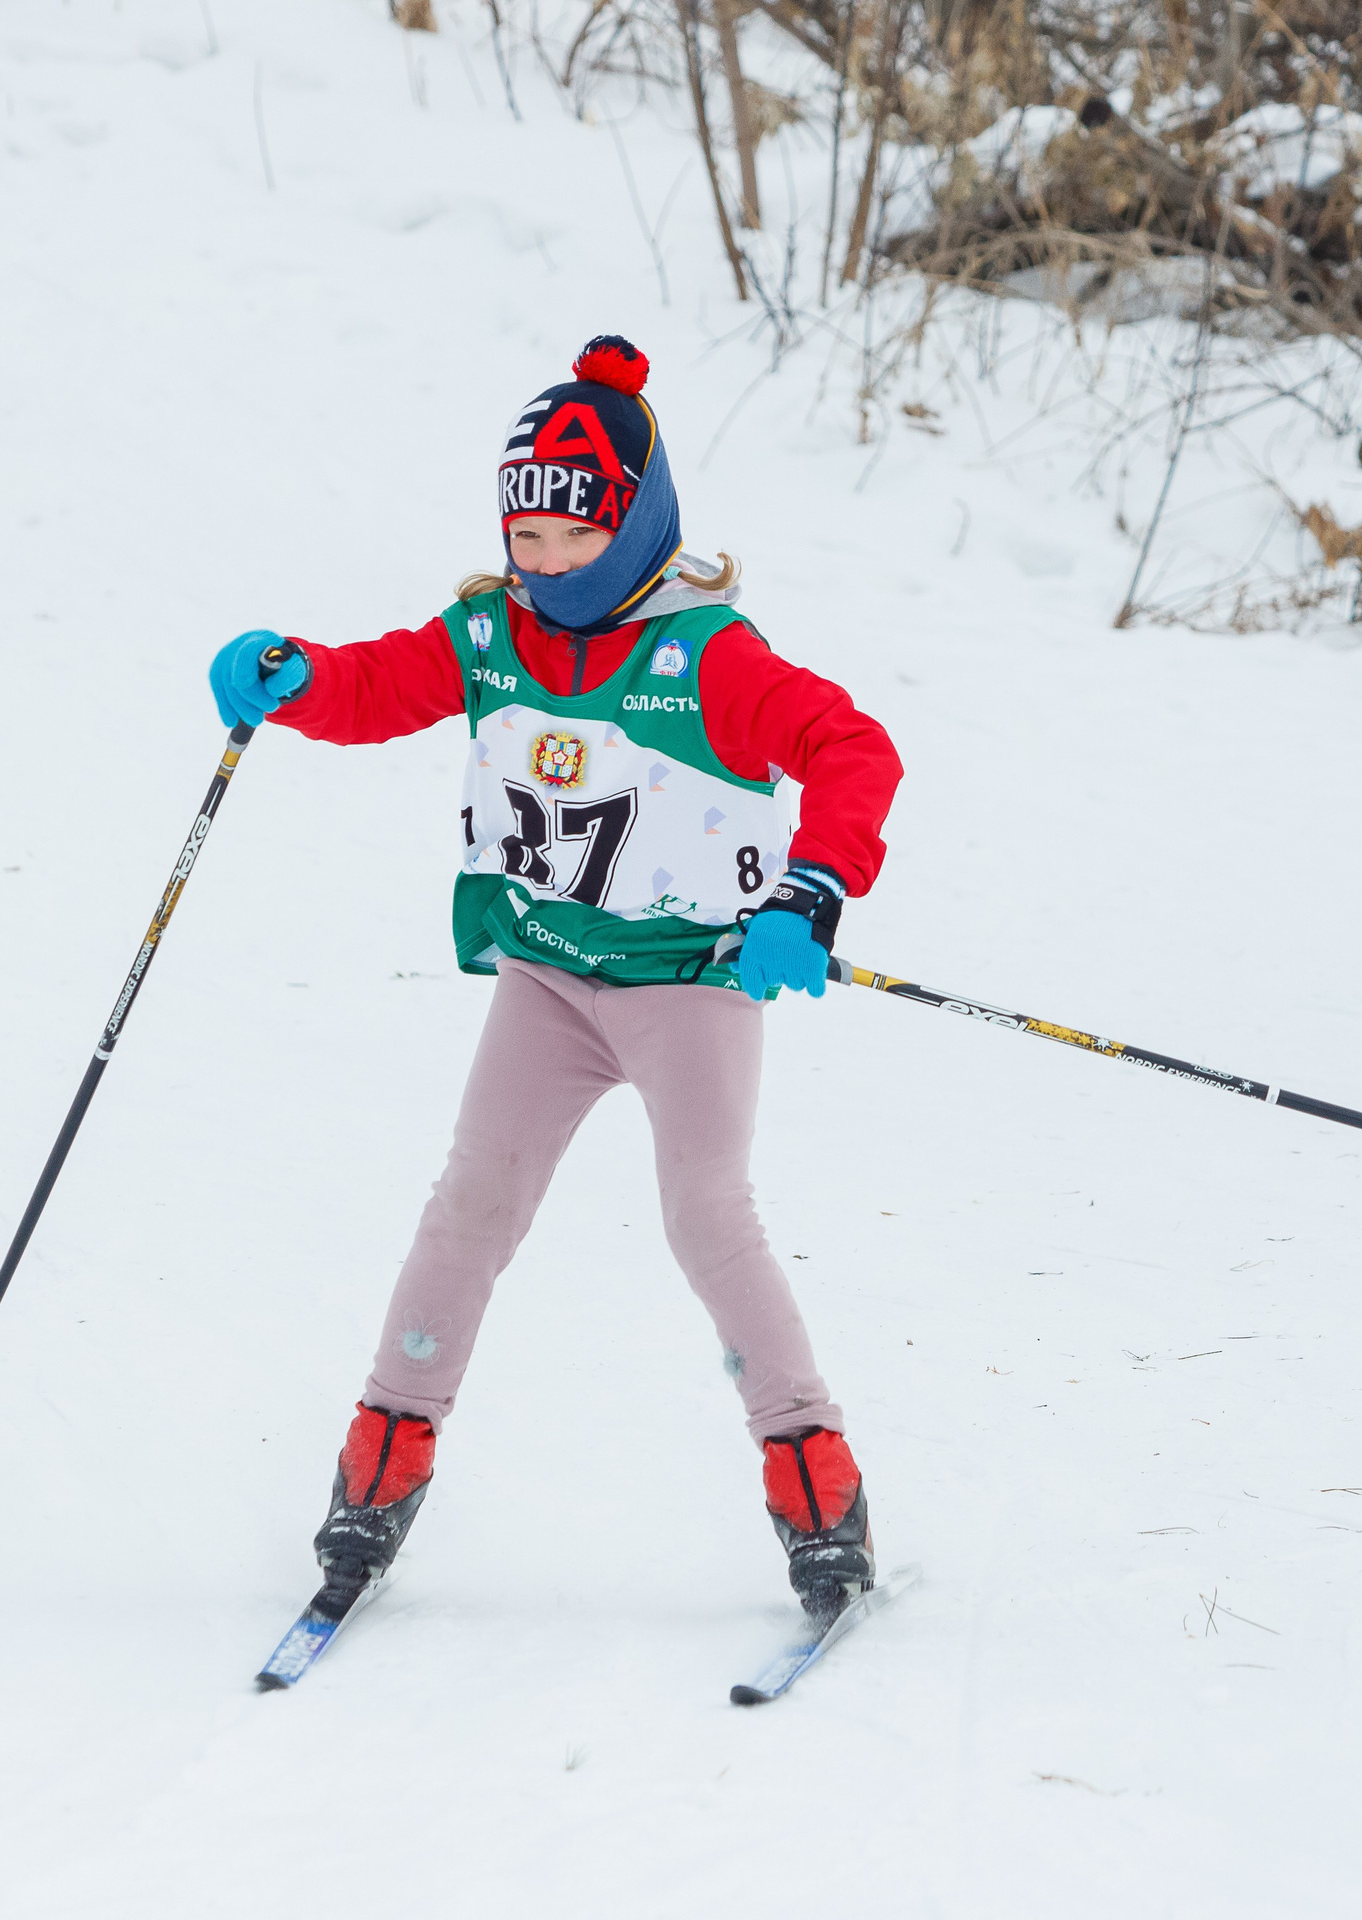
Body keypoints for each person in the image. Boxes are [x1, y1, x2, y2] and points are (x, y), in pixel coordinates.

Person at [206, 336, 904, 1628]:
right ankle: (384, 1458)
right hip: (548, 979)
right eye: (525, 537)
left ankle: (812, 1472)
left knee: (705, 1210)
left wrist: (813, 889)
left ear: (638, 526)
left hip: (687, 980)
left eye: (574, 540)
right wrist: (296, 676)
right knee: (473, 1199)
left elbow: (852, 748)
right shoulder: (490, 632)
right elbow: (381, 685)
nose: (545, 564)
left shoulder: (707, 659)